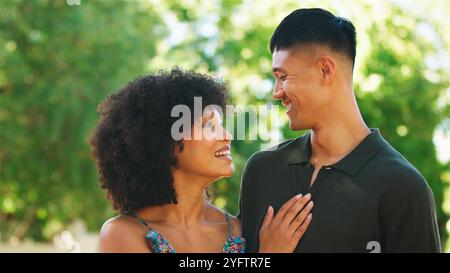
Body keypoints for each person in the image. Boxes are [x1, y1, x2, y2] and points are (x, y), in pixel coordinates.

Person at [238, 8, 441, 253]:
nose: (276, 92)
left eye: (283, 77)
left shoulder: (403, 188)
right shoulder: (261, 171)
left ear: (325, 70)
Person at [89, 68, 313, 253]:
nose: (227, 135)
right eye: (208, 125)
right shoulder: (123, 235)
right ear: (164, 141)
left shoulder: (238, 231)